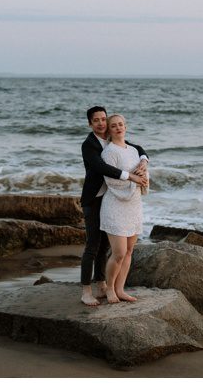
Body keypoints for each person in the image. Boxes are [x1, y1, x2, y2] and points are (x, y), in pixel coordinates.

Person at [78, 105, 149, 307]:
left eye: (103, 119)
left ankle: (102, 283)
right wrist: (132, 177)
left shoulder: (112, 137)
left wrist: (144, 159)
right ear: (90, 124)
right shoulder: (89, 144)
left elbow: (137, 149)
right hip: (94, 199)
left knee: (105, 246)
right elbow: (102, 167)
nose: (101, 123)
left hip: (113, 198)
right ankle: (86, 290)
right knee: (92, 245)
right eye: (96, 120)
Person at [98, 114, 150, 304]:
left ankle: (120, 289)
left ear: (125, 127)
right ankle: (109, 288)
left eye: (121, 124)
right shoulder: (109, 152)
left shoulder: (134, 150)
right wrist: (133, 180)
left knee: (129, 251)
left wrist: (143, 173)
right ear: (109, 130)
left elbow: (142, 171)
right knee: (118, 252)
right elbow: (111, 180)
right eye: (114, 126)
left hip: (134, 205)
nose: (118, 128)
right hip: (115, 204)